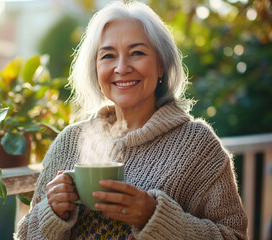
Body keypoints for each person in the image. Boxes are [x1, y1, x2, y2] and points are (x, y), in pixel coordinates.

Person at [15, 1, 248, 239]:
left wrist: (154, 216)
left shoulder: (198, 146)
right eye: (108, 56)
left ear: (161, 66)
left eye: (137, 53)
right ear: (95, 69)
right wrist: (51, 212)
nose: (122, 67)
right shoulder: (69, 142)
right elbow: (25, 235)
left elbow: (234, 236)